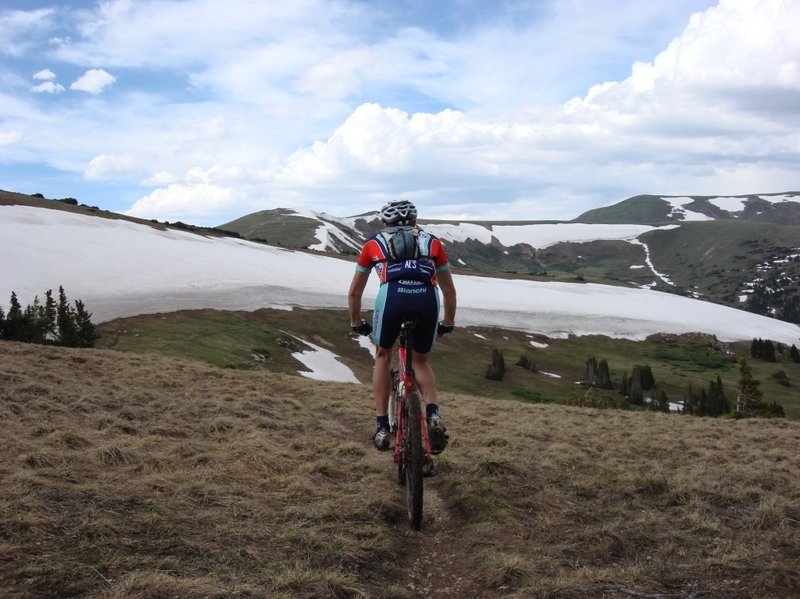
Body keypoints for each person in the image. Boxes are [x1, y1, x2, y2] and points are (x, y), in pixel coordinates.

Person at [348, 199, 457, 456]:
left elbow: (354, 292)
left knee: (383, 355)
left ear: (385, 223)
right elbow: (449, 290)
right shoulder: (432, 242)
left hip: (392, 297)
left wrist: (356, 322)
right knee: (420, 361)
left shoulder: (373, 244)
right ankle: (433, 416)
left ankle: (383, 428)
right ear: (415, 222)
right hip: (427, 298)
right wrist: (448, 322)